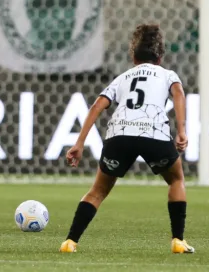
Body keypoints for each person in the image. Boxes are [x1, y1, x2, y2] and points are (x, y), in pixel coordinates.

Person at [60, 24, 194, 254]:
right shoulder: (167, 75)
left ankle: (70, 242)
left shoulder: (122, 77)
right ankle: (178, 241)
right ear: (160, 57)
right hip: (153, 133)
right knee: (176, 180)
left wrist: (79, 142)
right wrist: (181, 130)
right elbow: (179, 94)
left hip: (119, 135)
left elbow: (97, 105)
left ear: (133, 56)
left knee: (98, 191)